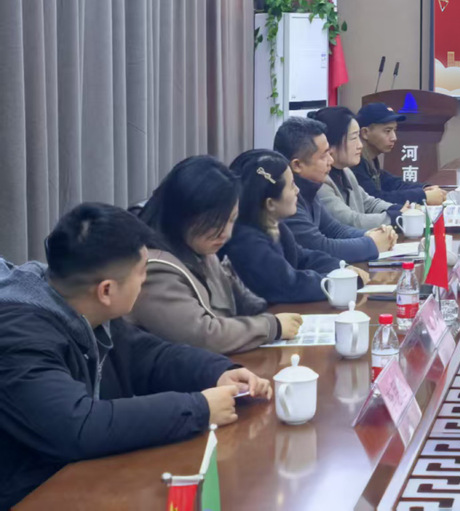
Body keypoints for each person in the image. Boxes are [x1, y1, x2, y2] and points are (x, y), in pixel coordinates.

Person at [0, 203, 271, 508]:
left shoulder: (80, 303)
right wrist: (199, 408)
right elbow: (78, 425)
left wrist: (218, 372)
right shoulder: (19, 339)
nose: (145, 281)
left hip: (86, 478)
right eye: (142, 272)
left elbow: (146, 355)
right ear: (106, 290)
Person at [129, 155, 303, 354]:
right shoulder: (152, 269)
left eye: (232, 220)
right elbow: (203, 336)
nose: (226, 234)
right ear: (182, 215)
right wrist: (272, 326)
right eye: (214, 223)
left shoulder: (200, 248)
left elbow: (242, 303)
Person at [222, 150, 371, 304]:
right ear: (270, 203)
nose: (297, 191)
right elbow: (290, 285)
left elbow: (303, 257)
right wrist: (341, 282)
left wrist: (342, 269)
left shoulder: (275, 227)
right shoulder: (246, 242)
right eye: (292, 185)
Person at [274, 117, 393, 262]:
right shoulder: (284, 199)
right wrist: (371, 243)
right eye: (323, 156)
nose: (330, 160)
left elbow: (335, 230)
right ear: (297, 165)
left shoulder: (310, 187)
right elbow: (321, 247)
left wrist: (371, 234)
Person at [309, 106, 406, 235]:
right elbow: (350, 221)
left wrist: (399, 209)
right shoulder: (319, 181)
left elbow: (368, 203)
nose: (360, 145)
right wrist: (396, 217)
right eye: (354, 138)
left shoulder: (346, 171)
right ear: (331, 144)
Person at [353, 102, 446, 206]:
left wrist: (425, 189)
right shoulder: (355, 164)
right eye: (387, 131)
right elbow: (375, 199)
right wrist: (423, 196)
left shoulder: (371, 160)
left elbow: (394, 183)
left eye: (394, 130)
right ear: (365, 133)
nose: (394, 138)